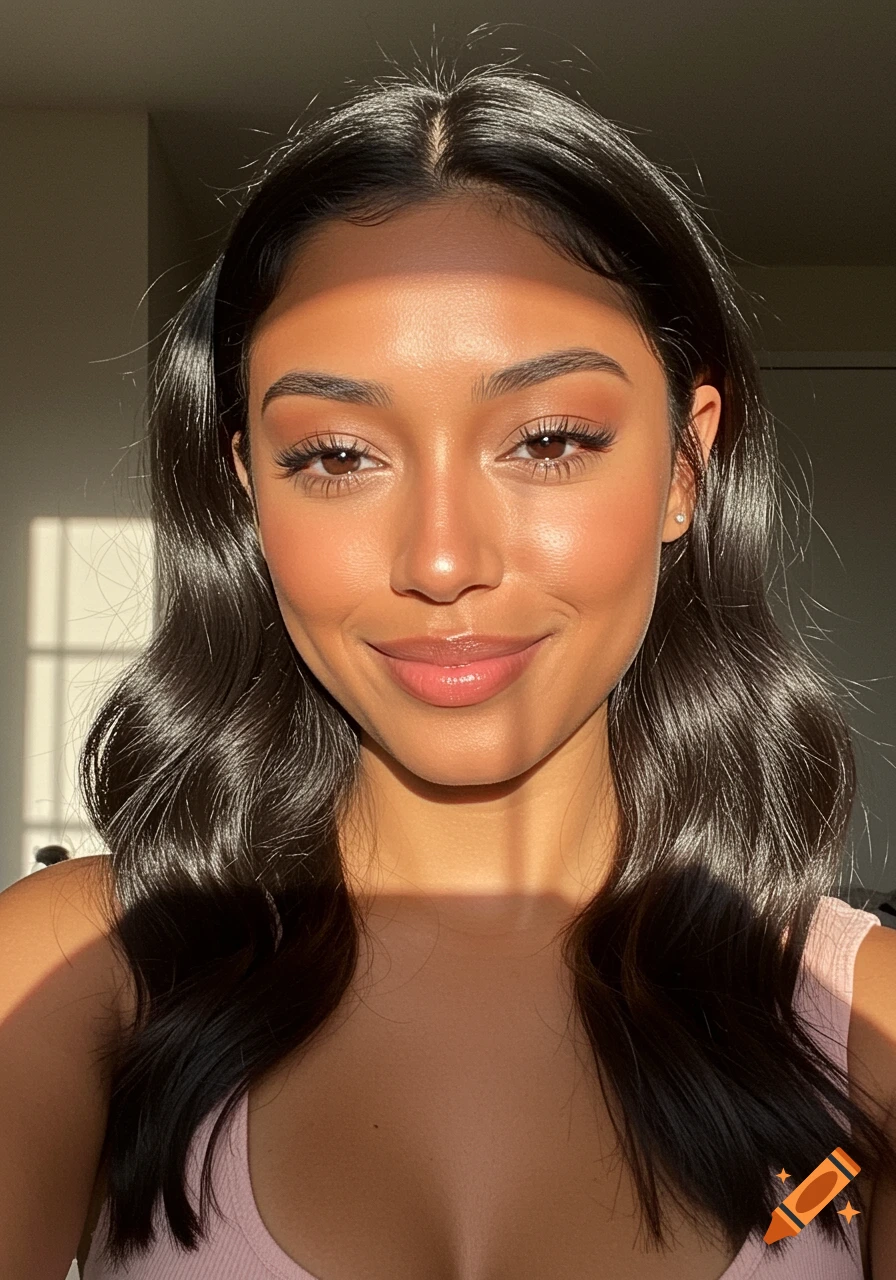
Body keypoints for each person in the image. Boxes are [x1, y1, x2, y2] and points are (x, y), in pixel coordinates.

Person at [1, 63, 895, 1280]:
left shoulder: (864, 1026)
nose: (438, 559)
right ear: (245, 490)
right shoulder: (73, 973)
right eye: (332, 455)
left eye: (547, 440)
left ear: (686, 468)